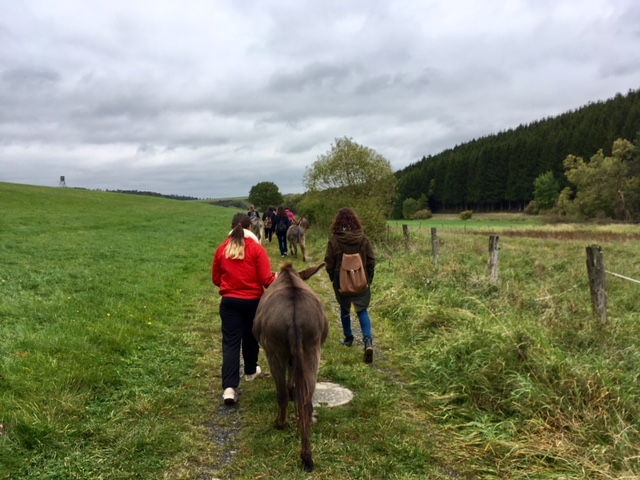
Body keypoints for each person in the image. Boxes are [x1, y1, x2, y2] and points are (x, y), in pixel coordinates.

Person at [212, 213, 276, 404]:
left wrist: (231, 285)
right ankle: (250, 370)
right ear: (250, 228)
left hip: (229, 302)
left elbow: (216, 279)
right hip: (253, 302)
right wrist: (277, 279)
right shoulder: (257, 249)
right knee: (251, 336)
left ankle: (229, 388)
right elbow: (266, 280)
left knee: (231, 343)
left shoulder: (222, 249)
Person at [324, 208, 376, 363]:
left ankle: (348, 338)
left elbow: (329, 263)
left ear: (338, 222)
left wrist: (334, 279)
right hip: (361, 281)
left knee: (345, 309)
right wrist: (368, 279)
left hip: (342, 282)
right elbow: (371, 261)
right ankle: (368, 341)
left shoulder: (334, 240)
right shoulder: (363, 239)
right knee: (362, 310)